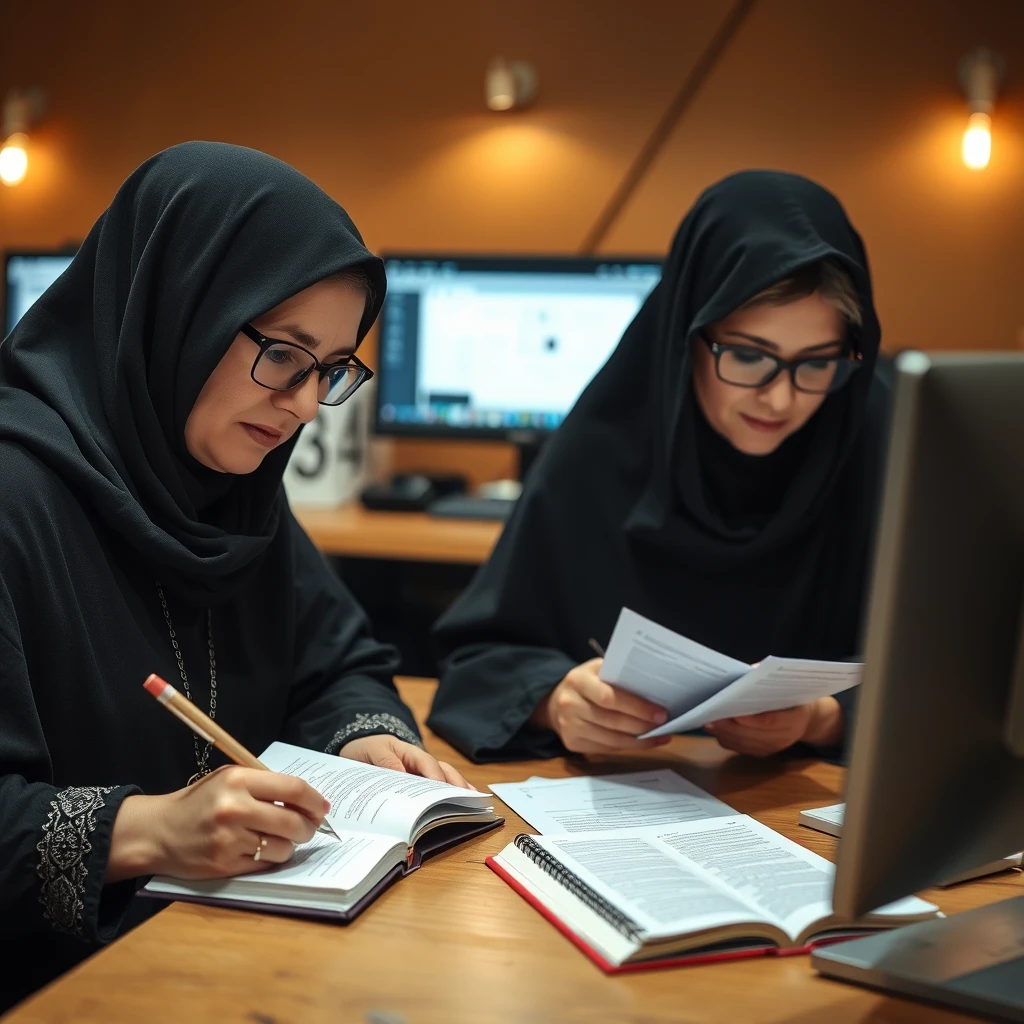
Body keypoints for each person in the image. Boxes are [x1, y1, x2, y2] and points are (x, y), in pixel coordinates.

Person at [0, 142, 468, 1011]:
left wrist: (359, 738)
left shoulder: (235, 492)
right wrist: (148, 830)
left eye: (328, 370)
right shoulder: (14, 497)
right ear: (178, 309)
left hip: (227, 951)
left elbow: (337, 663)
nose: (299, 404)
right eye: (284, 353)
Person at [428, 170, 889, 763]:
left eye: (817, 363)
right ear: (685, 336)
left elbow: (955, 675)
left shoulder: (877, 438)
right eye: (749, 356)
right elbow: (479, 662)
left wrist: (826, 718)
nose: (779, 398)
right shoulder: (603, 445)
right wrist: (557, 699)